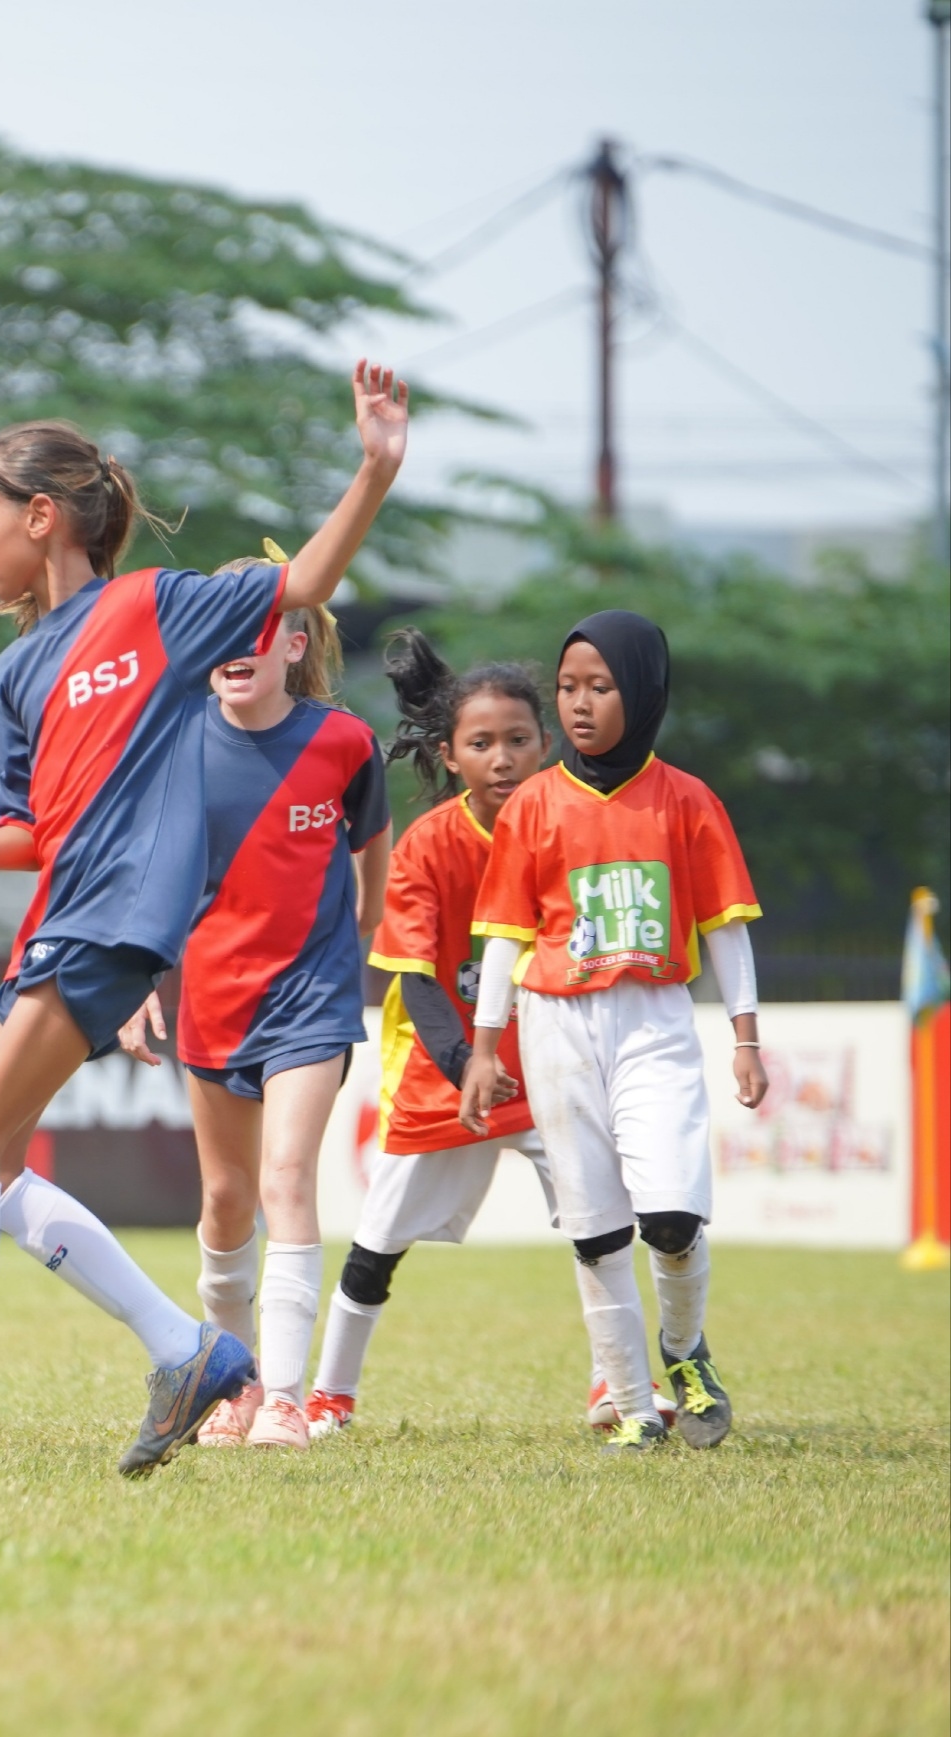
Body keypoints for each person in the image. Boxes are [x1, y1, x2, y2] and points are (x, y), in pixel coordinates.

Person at [0, 360, 413, 1481]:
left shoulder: (157, 608)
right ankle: (186, 1352)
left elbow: (307, 582)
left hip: (112, 926)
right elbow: (26, 832)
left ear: (41, 520)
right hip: (54, 918)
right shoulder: (14, 672)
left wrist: (373, 469)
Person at [460, 610, 765, 1453]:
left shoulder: (688, 801)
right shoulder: (530, 807)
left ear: (645, 689)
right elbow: (505, 937)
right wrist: (486, 1045)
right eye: (567, 687)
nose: (579, 704)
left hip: (653, 1018)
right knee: (594, 1228)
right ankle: (632, 1403)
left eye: (600, 686)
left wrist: (743, 1036)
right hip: (552, 1021)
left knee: (669, 1215)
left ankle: (682, 1353)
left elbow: (726, 927)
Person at [129, 575, 388, 1453]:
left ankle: (283, 1399)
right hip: (211, 997)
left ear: (295, 646)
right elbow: (146, 879)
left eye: (262, 627)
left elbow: (370, 848)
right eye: (224, 630)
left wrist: (360, 935)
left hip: (312, 1001)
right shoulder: (170, 744)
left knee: (285, 1180)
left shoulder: (345, 743)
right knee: (225, 1198)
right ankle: (231, 1387)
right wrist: (136, 984)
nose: (239, 645)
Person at [300, 629, 562, 1440]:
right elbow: (414, 976)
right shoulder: (428, 844)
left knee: (601, 1224)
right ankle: (329, 1395)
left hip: (549, 1065)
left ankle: (616, 1386)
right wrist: (462, 1062)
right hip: (443, 1065)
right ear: (449, 755)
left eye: (518, 740)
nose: (502, 757)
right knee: (376, 1243)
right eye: (481, 743)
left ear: (543, 745)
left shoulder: (569, 829)